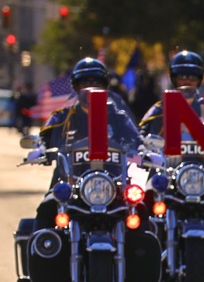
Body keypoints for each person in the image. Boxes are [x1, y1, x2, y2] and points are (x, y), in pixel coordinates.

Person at [31, 58, 144, 228]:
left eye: (96, 82)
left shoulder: (118, 116)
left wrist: (145, 152)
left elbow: (136, 139)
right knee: (47, 208)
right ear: (76, 87)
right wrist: (40, 149)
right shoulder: (62, 116)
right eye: (85, 83)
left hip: (112, 183)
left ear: (104, 86)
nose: (90, 88)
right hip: (69, 183)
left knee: (139, 209)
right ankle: (45, 248)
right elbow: (44, 138)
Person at [139, 50, 204, 137]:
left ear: (199, 79)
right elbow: (142, 139)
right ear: (174, 79)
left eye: (193, 77)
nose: (187, 81)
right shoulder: (160, 110)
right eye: (181, 77)